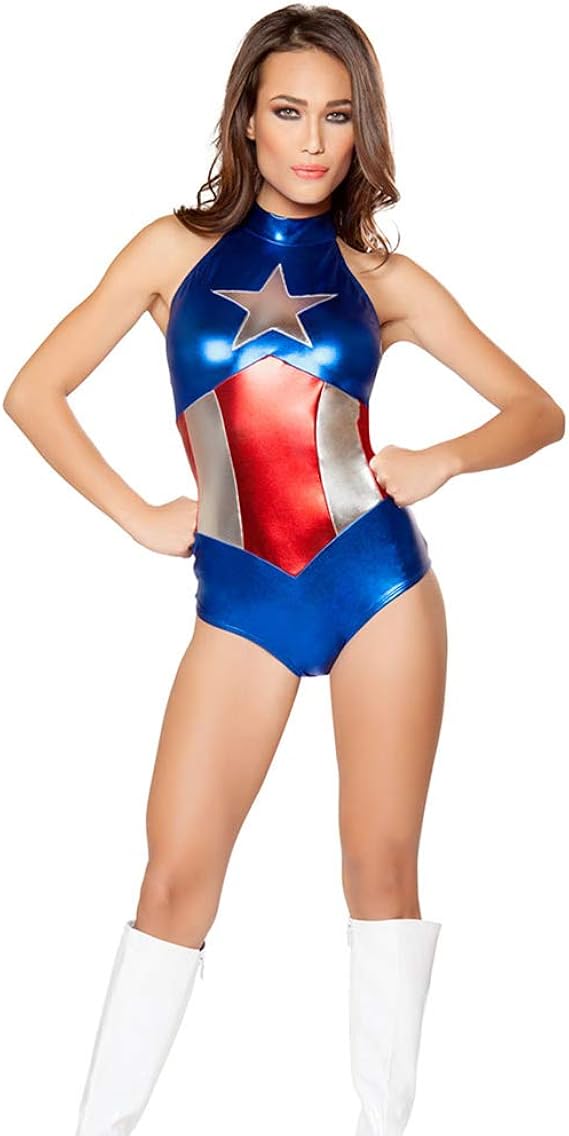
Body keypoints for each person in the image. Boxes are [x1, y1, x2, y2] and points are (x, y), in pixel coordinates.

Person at [4, 5, 565, 1135]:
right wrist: (136, 515)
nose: (313, 141)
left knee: (379, 868)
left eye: (338, 116)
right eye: (290, 112)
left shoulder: (378, 275)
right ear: (248, 122)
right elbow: (33, 391)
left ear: (362, 130)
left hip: (377, 587)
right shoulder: (170, 253)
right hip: (242, 597)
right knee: (174, 882)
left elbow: (536, 409)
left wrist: (445, 457)